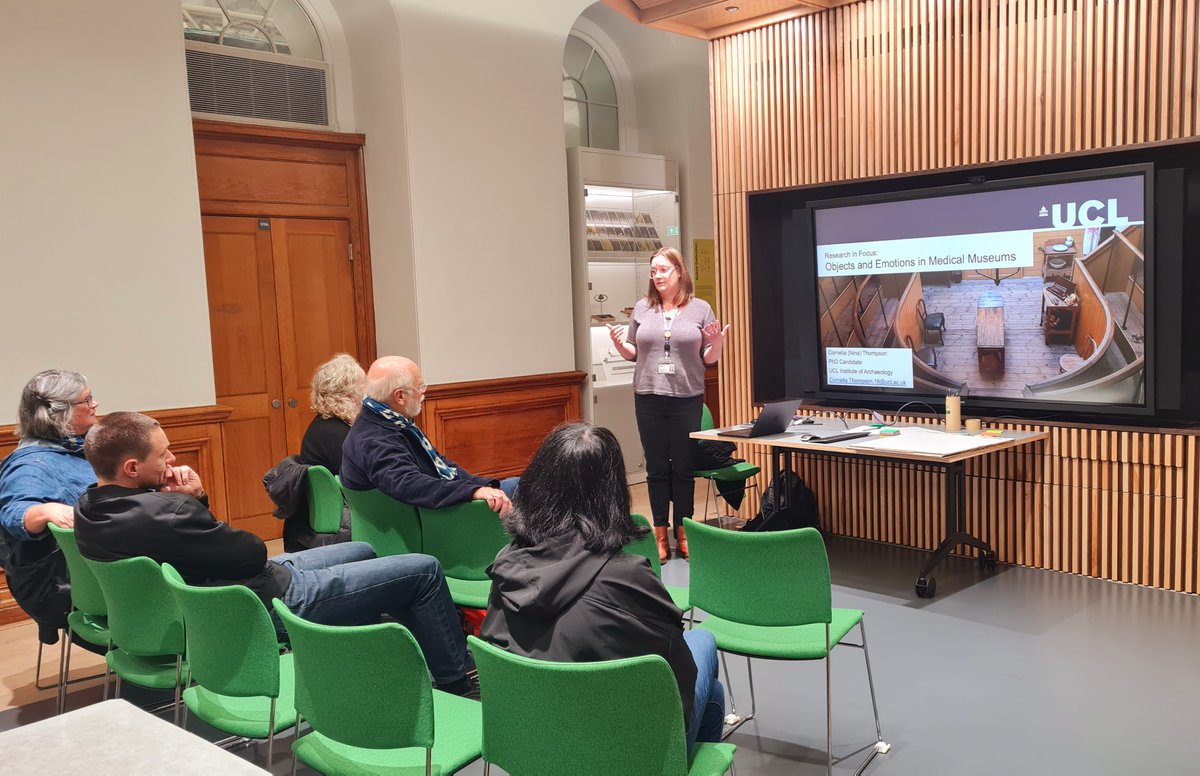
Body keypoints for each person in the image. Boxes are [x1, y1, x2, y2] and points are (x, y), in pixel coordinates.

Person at [75, 411, 478, 698]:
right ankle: (455, 678)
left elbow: (205, 548)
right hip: (265, 601)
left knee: (362, 548)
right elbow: (251, 553)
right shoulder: (169, 511)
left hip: (228, 589)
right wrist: (196, 500)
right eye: (163, 455)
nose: (172, 460)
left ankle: (368, 664)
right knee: (423, 570)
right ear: (131, 467)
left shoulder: (86, 509)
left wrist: (185, 508)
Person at [480, 422, 725, 757]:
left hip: (530, 742)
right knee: (707, 655)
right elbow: (677, 675)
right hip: (615, 750)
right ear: (612, 494)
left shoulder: (506, 563)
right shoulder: (629, 577)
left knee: (711, 694)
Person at [607, 247, 730, 561]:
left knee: (684, 470)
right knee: (657, 468)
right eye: (653, 271)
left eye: (663, 270)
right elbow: (634, 352)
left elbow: (708, 358)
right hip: (648, 396)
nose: (657, 276)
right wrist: (621, 345)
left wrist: (716, 344)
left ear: (679, 271)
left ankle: (684, 533)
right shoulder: (642, 308)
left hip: (686, 398)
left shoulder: (701, 308)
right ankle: (660, 536)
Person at [341, 355, 516, 514]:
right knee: (525, 489)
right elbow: (409, 484)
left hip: (435, 510)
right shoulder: (374, 438)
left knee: (522, 485)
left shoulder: (390, 421)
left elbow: (441, 465)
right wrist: (473, 491)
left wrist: (482, 485)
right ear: (400, 396)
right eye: (420, 387)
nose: (423, 392)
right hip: (433, 523)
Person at [0, 370, 99, 644]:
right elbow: (13, 513)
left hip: (92, 572)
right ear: (60, 413)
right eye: (87, 400)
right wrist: (45, 511)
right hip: (70, 588)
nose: (95, 405)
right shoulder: (32, 464)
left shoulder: (80, 447)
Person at [264, 354, 363, 551]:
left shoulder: (327, 426)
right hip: (343, 523)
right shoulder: (334, 434)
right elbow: (362, 483)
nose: (368, 396)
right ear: (349, 394)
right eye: (364, 388)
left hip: (333, 521)